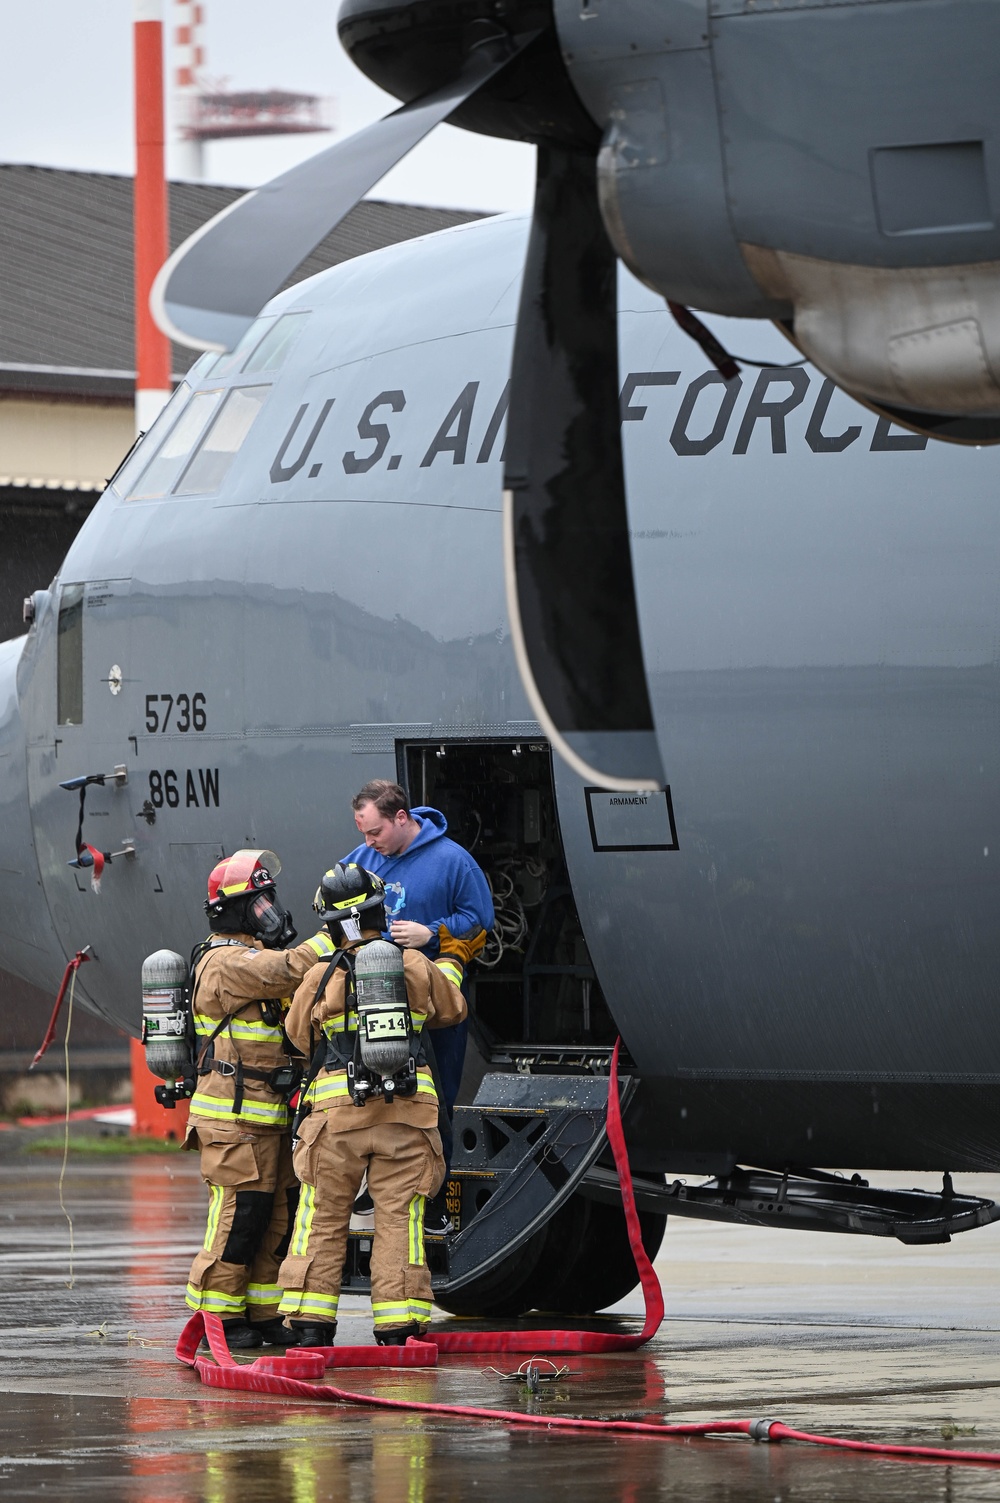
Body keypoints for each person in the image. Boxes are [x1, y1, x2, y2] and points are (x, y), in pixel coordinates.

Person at [276, 862, 467, 1346]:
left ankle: (309, 1323)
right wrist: (449, 964)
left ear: (330, 923)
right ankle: (399, 1326)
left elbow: (297, 1039)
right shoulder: (412, 965)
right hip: (408, 1116)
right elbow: (453, 1010)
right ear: (380, 910)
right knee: (401, 1219)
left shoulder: (321, 975)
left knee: (320, 1215)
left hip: (336, 1120)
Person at [183, 848, 337, 1349]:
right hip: (232, 1119)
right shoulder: (225, 962)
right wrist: (334, 931)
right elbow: (289, 967)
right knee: (239, 1219)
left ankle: (264, 1314)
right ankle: (217, 1319)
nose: (270, 912)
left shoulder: (251, 960)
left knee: (278, 1216)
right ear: (231, 911)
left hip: (267, 1118)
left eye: (270, 901)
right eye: (259, 904)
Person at [341, 779, 493, 1230]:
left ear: (401, 818)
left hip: (433, 1003)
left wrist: (432, 933)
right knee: (371, 1092)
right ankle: (379, 1182)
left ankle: (434, 1202)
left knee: (431, 1098)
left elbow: (479, 922)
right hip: (370, 999)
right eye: (363, 833)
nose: (368, 843)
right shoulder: (359, 862)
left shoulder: (452, 861)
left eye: (375, 833)